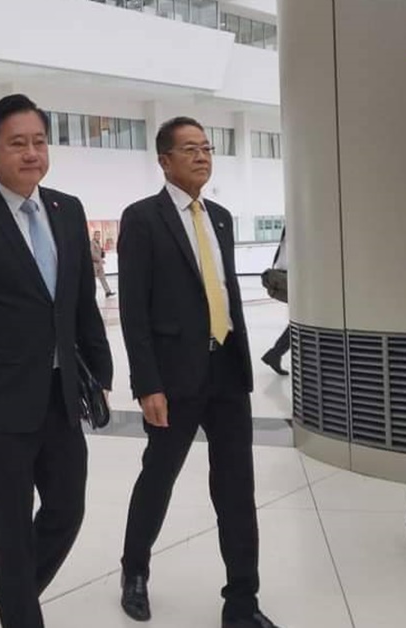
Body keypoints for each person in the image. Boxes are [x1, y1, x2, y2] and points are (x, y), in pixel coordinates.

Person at [0, 94, 113, 628]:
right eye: (17, 143)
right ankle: (20, 610)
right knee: (11, 528)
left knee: (67, 510)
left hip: (61, 399)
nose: (31, 153)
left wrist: (100, 373)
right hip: (0, 411)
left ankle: (13, 595)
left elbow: (81, 303)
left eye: (39, 141)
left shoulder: (67, 210)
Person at [116, 118, 280, 628]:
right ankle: (134, 570)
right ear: (165, 160)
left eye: (206, 148)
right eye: (190, 149)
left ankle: (242, 601)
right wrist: (147, 384)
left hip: (226, 368)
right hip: (174, 378)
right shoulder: (142, 219)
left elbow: (223, 289)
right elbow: (133, 309)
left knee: (236, 489)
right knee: (158, 477)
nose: (202, 156)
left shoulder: (221, 218)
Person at [261, 228, 289, 376]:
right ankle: (275, 353)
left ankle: (275, 354)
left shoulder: (290, 226)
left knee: (302, 319)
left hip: (284, 275)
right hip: (290, 276)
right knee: (306, 318)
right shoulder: (296, 227)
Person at [91, 230, 115, 297]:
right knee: (92, 279)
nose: (99, 237)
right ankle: (91, 293)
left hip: (99, 264)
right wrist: (99, 259)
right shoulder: (92, 243)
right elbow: (92, 253)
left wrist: (102, 256)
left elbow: (98, 253)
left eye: (99, 235)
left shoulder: (98, 243)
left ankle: (108, 291)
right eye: (97, 235)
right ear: (94, 236)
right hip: (95, 264)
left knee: (103, 278)